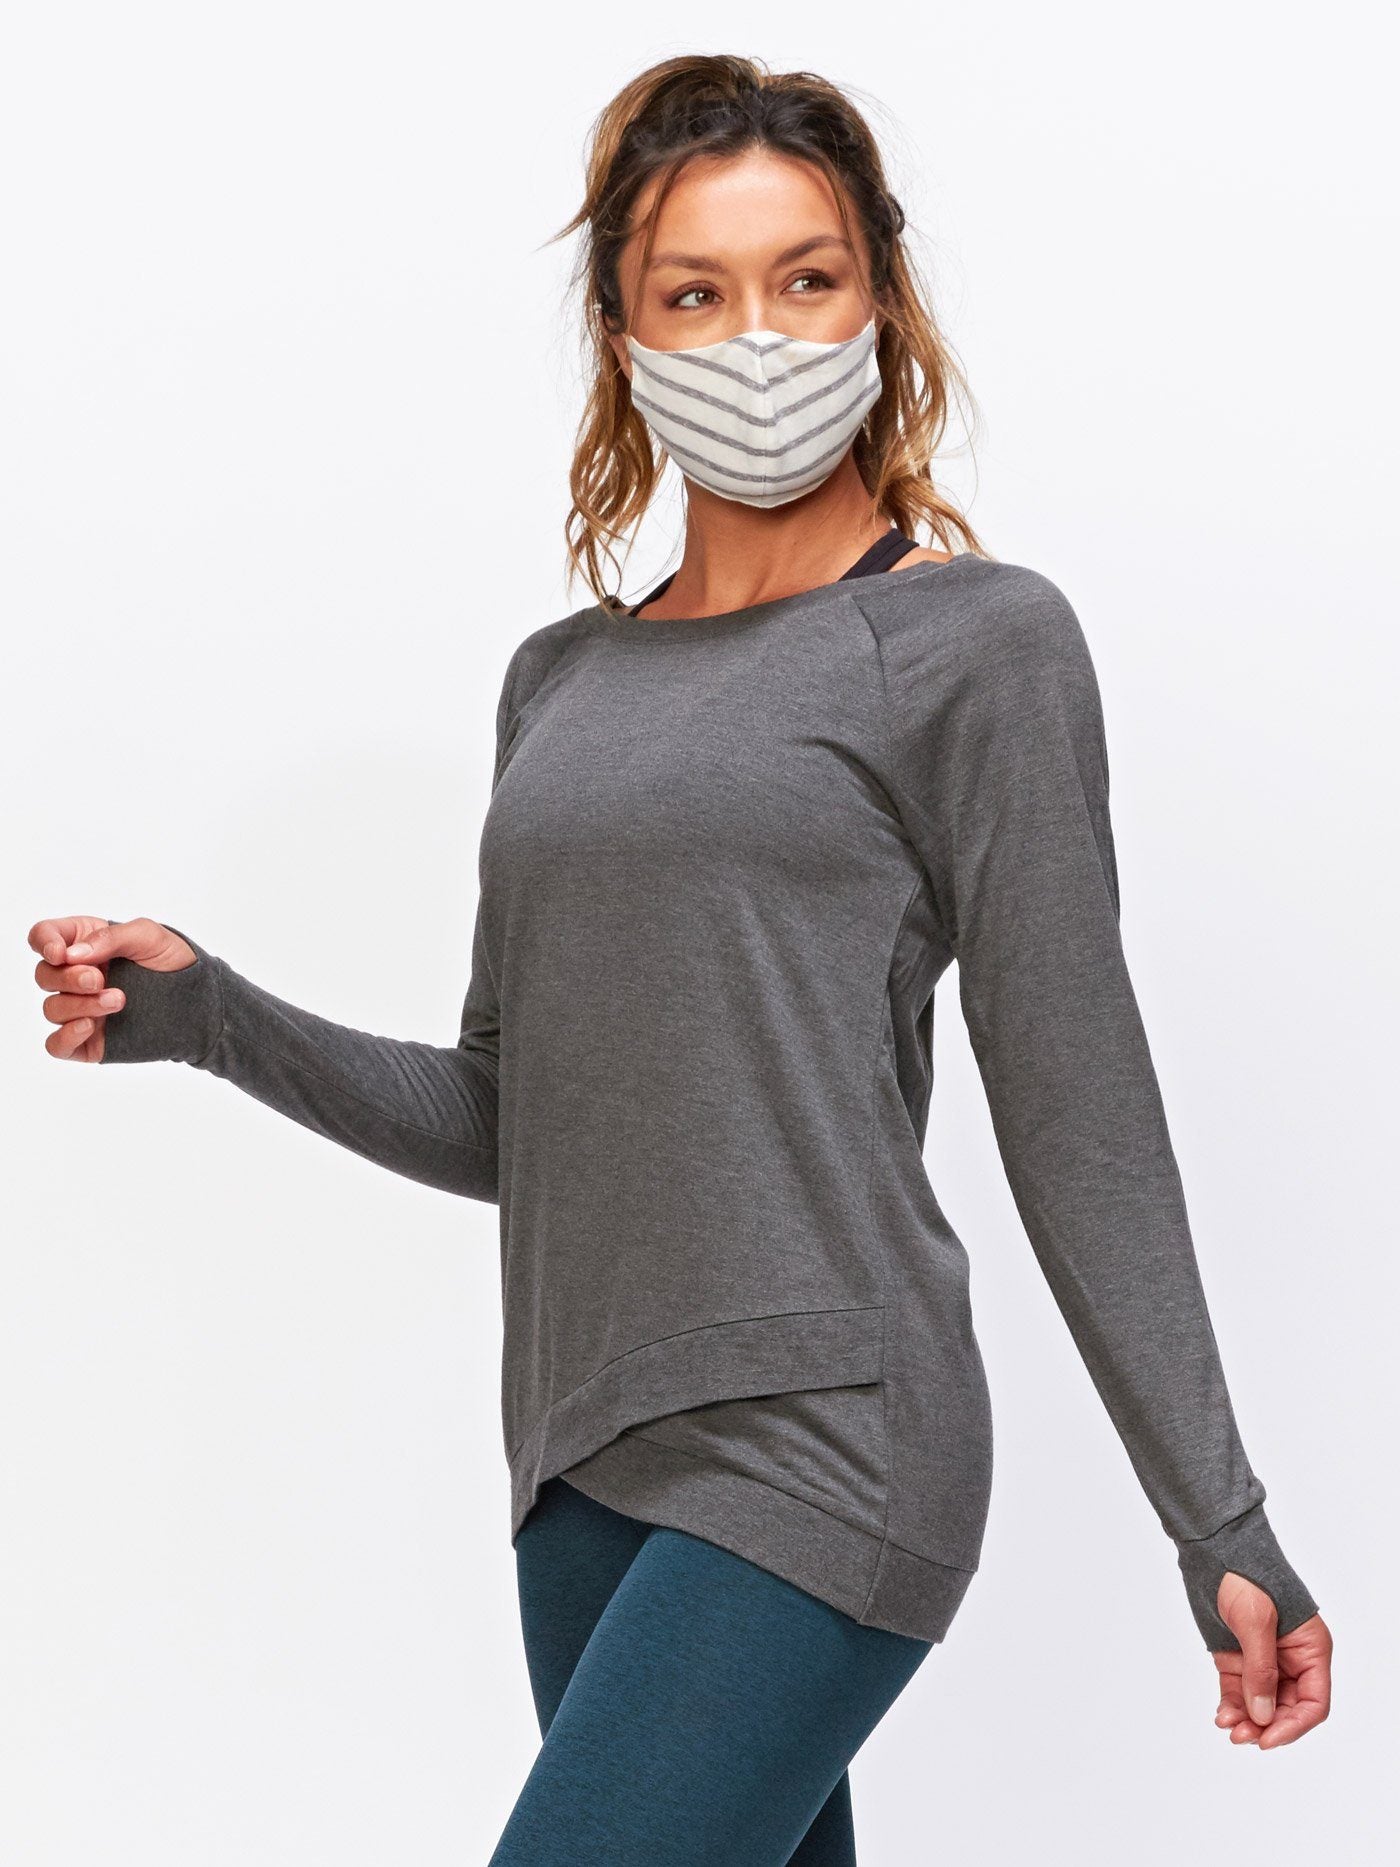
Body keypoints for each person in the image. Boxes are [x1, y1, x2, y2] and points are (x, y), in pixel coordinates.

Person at [31, 52, 1331, 1867]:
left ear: (882, 298)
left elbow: (1078, 1103)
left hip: (828, 1433)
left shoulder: (976, 646)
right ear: (622, 332)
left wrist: (1220, 1517)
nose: (760, 340)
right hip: (577, 1454)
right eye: (696, 294)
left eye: (807, 278)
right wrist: (211, 1018)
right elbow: (513, 1116)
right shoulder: (560, 684)